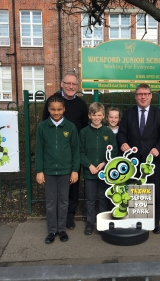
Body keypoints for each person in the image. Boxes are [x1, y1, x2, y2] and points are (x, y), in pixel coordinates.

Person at [116, 83, 160, 234]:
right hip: (133, 162)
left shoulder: (159, 114)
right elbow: (121, 133)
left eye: (146, 93)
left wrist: (158, 148)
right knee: (135, 191)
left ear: (151, 95)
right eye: (140, 94)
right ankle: (137, 220)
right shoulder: (128, 114)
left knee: (154, 192)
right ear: (136, 96)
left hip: (152, 162)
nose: (143, 96)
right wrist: (123, 143)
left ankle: (155, 222)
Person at [42, 72, 88, 230]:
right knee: (54, 190)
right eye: (68, 83)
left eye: (74, 84)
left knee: (73, 185)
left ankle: (69, 216)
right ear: (61, 83)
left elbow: (84, 128)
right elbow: (44, 124)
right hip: (54, 156)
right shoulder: (53, 101)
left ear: (77, 86)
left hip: (73, 152)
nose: (71, 86)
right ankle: (55, 218)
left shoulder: (82, 105)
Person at [35, 94, 80, 244]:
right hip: (48, 171)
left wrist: (75, 170)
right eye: (53, 109)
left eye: (59, 109)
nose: (56, 112)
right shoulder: (42, 127)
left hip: (65, 171)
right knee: (50, 202)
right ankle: (52, 230)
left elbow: (75, 150)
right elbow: (39, 150)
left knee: (63, 201)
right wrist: (39, 171)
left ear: (64, 109)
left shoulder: (70, 127)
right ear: (48, 110)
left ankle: (61, 230)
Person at [79, 102, 118, 235]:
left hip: (104, 172)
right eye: (94, 115)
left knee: (103, 197)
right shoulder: (84, 132)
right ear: (90, 116)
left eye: (99, 115)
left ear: (103, 116)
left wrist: (104, 163)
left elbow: (113, 151)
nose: (96, 118)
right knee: (90, 198)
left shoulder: (108, 132)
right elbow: (80, 152)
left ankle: (102, 223)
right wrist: (89, 165)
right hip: (89, 172)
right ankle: (90, 223)